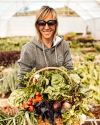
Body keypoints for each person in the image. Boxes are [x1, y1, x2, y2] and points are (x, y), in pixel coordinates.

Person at [17, 6, 73, 88]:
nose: (46, 27)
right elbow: (22, 78)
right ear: (37, 25)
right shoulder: (29, 48)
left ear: (56, 24)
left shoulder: (64, 45)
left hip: (61, 95)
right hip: (37, 96)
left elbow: (70, 70)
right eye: (42, 23)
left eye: (50, 23)